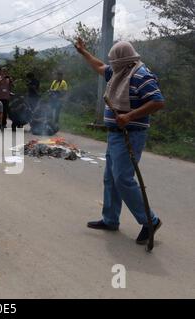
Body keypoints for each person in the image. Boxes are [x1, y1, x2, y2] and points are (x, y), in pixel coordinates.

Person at [75, 38, 165, 245]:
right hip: (115, 134)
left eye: (113, 60)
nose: (110, 64)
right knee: (110, 178)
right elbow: (99, 66)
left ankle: (151, 221)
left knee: (123, 179)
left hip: (130, 134)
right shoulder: (119, 72)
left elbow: (158, 101)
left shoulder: (141, 76)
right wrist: (84, 52)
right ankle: (110, 219)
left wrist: (130, 116)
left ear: (123, 59)